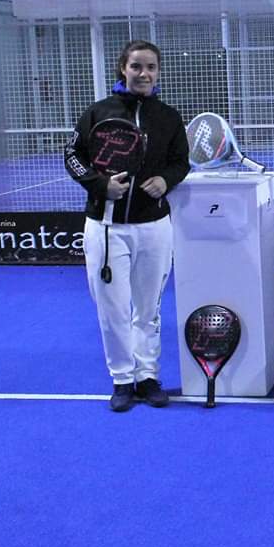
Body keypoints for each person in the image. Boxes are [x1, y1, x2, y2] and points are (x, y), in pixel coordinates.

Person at [64, 40, 190, 412]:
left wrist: (166, 180)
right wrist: (100, 185)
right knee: (113, 308)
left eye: (151, 67)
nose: (144, 74)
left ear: (158, 72)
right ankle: (122, 378)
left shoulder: (168, 116)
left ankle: (147, 377)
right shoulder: (98, 112)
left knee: (148, 309)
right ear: (123, 68)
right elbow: (72, 155)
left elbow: (181, 162)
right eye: (136, 66)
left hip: (154, 226)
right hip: (106, 228)